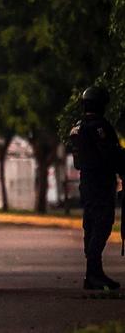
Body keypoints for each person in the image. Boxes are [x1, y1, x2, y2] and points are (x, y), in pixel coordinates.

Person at [69, 86, 125, 290]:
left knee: (91, 223)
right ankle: (93, 272)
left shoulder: (77, 126)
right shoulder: (98, 126)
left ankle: (94, 272)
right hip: (100, 180)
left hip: (86, 181)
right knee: (102, 223)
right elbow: (110, 153)